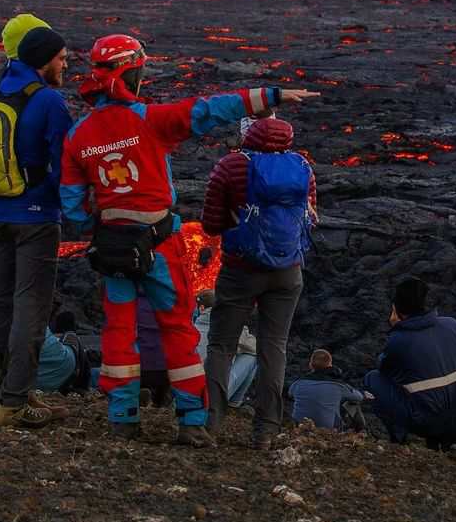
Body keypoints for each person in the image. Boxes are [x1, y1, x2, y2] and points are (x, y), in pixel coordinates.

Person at [59, 32, 318, 447]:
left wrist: (109, 214)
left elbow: (71, 206)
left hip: (111, 249)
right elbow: (211, 110)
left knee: (119, 332)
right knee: (178, 329)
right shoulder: (150, 119)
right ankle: (192, 422)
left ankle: (122, 417)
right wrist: (271, 95)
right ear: (135, 71)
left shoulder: (77, 136)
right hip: (159, 246)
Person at [0, 23, 72, 430]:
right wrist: (70, 209)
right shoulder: (49, 103)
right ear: (43, 60)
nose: (65, 65)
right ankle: (15, 404)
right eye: (61, 58)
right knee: (30, 311)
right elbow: (66, 167)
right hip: (36, 219)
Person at [202, 115, 317, 450]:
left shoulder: (231, 166)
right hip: (288, 271)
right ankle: (266, 430)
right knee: (274, 347)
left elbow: (210, 224)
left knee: (221, 344)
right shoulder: (303, 167)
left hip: (241, 268)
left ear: (248, 133)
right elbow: (310, 217)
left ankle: (211, 422)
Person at [363, 277, 456, 449]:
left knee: (372, 378)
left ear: (396, 309)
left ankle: (402, 438)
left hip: (427, 422)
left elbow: (384, 368)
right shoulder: (452, 324)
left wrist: (397, 329)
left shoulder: (399, 340)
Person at [194, 290, 257, 409]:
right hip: (212, 396)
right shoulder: (233, 328)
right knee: (252, 356)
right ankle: (234, 402)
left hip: (187, 392)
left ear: (202, 309)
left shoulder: (190, 328)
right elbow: (256, 348)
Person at [289, 349, 367, 431]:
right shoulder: (338, 385)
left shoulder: (298, 383)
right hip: (327, 429)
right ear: (330, 365)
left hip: (299, 427)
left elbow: (290, 393)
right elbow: (358, 397)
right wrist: (364, 394)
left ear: (310, 365)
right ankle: (359, 432)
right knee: (352, 403)